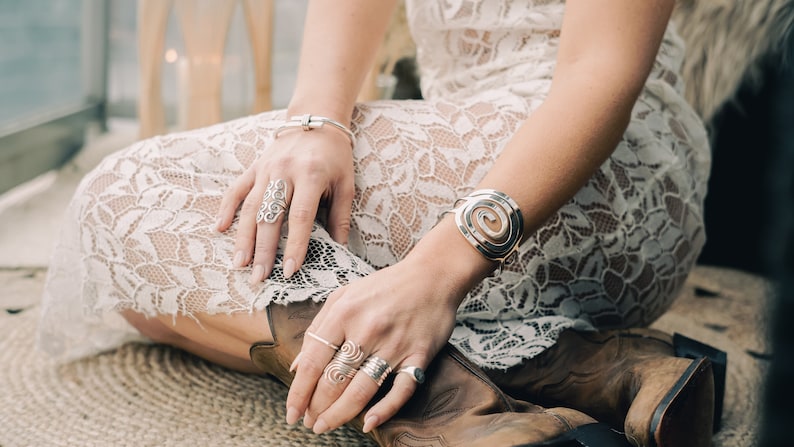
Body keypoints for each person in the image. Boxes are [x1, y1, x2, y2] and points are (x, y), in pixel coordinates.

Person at [38, 0, 718, 446]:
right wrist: (317, 122)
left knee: (126, 195)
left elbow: (603, 70)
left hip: (601, 165)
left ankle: (451, 413)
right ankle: (573, 366)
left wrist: (437, 271)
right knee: (147, 299)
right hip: (474, 151)